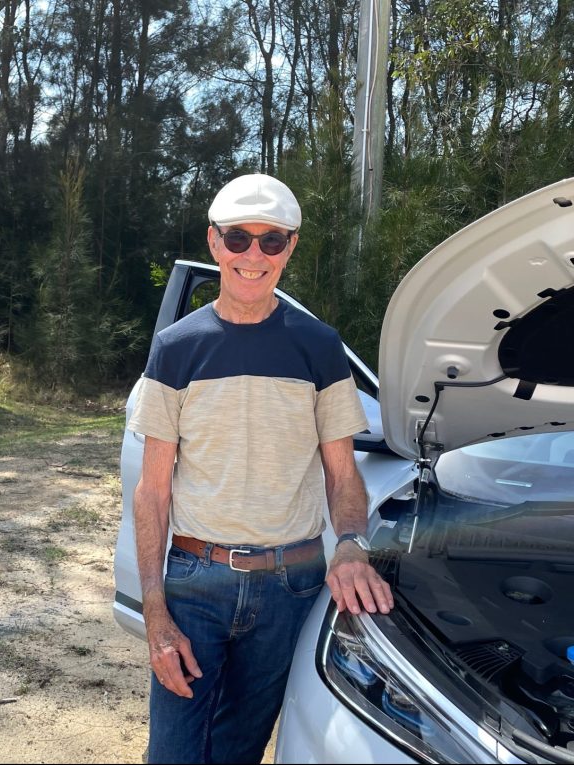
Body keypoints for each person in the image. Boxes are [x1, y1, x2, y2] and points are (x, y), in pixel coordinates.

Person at [129, 173, 394, 763]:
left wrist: (351, 541)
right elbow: (152, 491)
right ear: (214, 243)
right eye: (239, 238)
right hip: (196, 581)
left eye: (271, 241)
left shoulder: (319, 346)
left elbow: (343, 473)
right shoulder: (176, 348)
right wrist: (154, 608)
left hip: (291, 586)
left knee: (240, 751)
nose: (254, 255)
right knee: (173, 752)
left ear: (291, 247)